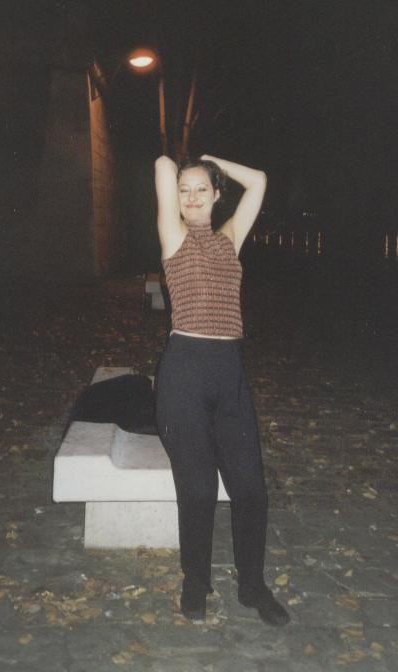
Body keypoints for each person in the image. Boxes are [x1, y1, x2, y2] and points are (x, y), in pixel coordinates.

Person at [154, 153, 289, 626]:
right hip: (184, 375)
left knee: (251, 489)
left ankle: (252, 586)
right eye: (184, 190)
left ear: (215, 196)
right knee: (198, 490)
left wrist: (213, 163)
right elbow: (161, 163)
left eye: (201, 189)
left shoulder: (230, 237)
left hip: (229, 373)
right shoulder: (173, 236)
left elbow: (260, 180)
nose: (191, 197)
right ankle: (196, 582)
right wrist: (187, 167)